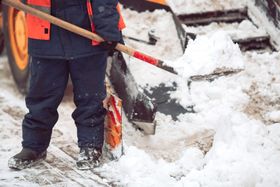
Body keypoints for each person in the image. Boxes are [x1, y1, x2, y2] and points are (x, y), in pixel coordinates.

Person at [7, 0, 125, 170]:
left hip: (88, 31)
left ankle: (90, 146)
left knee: (90, 97)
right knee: (41, 97)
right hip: (45, 31)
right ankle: (33, 147)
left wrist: (107, 28)